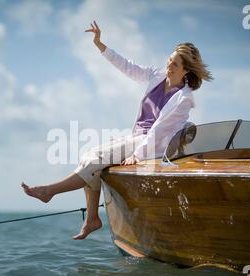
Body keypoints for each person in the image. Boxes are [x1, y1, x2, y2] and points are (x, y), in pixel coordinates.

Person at [21, 20, 213, 240]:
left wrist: (136, 156)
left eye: (175, 65)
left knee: (95, 159)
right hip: (137, 136)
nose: (169, 67)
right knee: (87, 156)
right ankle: (92, 218)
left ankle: (49, 191)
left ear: (186, 71)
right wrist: (100, 45)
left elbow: (158, 131)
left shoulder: (184, 99)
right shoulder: (157, 76)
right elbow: (128, 67)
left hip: (151, 145)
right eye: (169, 61)